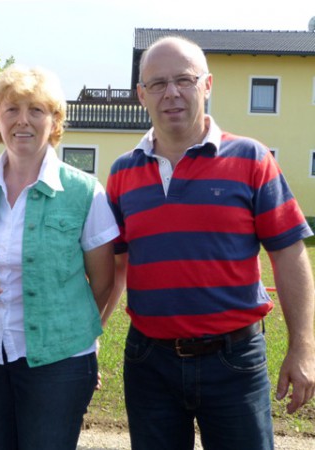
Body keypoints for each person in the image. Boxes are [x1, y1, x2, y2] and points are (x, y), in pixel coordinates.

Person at [106, 35, 315, 450]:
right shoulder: (122, 173)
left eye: (184, 79)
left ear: (207, 85)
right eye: (158, 83)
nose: (172, 93)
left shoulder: (252, 159)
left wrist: (303, 349)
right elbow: (114, 268)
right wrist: (87, 337)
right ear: (141, 95)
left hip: (234, 361)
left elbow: (290, 255)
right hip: (149, 363)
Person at [0, 65, 120, 450]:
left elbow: (104, 282)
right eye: (11, 110)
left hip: (58, 360)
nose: (22, 121)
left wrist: (73, 334)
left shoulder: (84, 191)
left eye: (36, 110)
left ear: (54, 121)